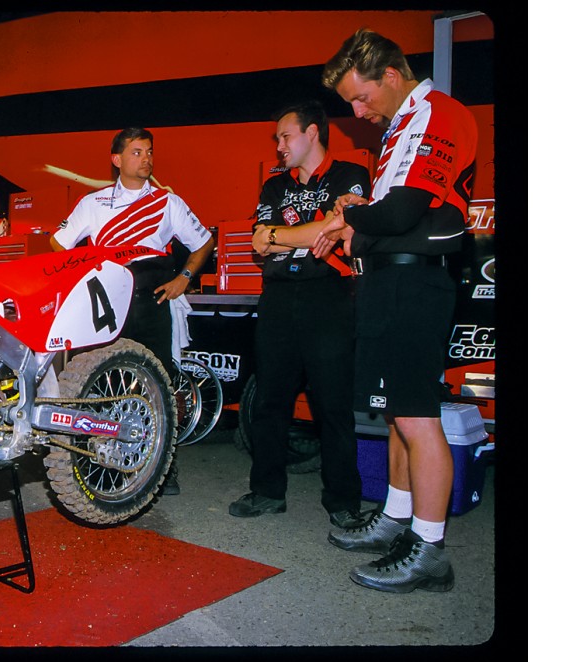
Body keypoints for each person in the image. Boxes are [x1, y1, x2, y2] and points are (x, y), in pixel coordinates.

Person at [312, 29, 478, 593]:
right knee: (395, 414)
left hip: (415, 280)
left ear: (389, 75)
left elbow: (403, 210)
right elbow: (388, 211)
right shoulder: (402, 125)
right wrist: (361, 212)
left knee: (417, 418)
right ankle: (395, 519)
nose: (358, 113)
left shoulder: (437, 113)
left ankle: (429, 549)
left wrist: (350, 218)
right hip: (388, 281)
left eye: (361, 98)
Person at [227, 101, 369, 529]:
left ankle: (343, 500)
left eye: (286, 136)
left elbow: (334, 228)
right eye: (277, 139)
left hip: (329, 298)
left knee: (333, 405)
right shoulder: (274, 185)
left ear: (312, 133)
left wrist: (283, 235)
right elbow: (259, 242)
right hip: (278, 299)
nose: (280, 145)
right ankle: (267, 492)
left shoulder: (349, 176)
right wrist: (310, 231)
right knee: (270, 401)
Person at [50, 127, 215, 496]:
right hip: (107, 303)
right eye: (137, 152)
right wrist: (84, 271)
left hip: (152, 300)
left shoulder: (168, 202)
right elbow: (58, 243)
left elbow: (204, 242)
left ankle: (163, 466)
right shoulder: (92, 204)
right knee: (100, 382)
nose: (147, 159)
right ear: (117, 159)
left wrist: (184, 278)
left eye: (149, 151)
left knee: (159, 382)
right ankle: (94, 463)